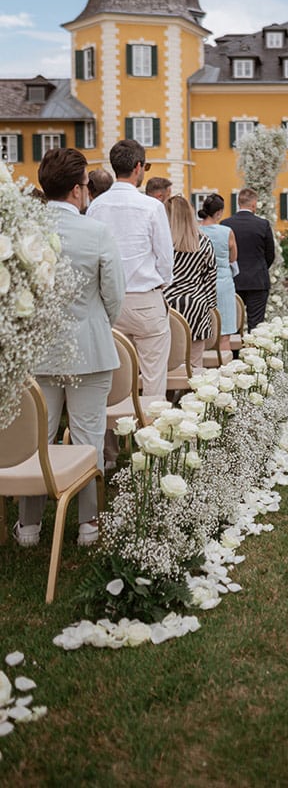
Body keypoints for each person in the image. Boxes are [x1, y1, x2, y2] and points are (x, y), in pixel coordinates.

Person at [14, 148, 125, 548]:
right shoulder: (95, 232)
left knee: (36, 438)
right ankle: (87, 526)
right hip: (90, 347)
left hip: (38, 351)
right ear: (79, 190)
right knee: (88, 436)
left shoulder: (24, 231)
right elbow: (115, 294)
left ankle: (28, 528)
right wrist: (96, 324)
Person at [87, 139, 173, 404]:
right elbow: (165, 258)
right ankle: (151, 436)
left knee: (112, 376)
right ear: (138, 167)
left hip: (107, 302)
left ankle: (112, 443)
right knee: (154, 376)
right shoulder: (152, 206)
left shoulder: (96, 207)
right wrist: (160, 286)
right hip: (145, 298)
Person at [164, 195, 218, 370]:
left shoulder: (162, 242)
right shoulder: (204, 242)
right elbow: (210, 278)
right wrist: (210, 307)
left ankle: (165, 396)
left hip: (166, 305)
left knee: (164, 363)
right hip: (196, 304)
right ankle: (195, 396)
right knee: (195, 365)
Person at [221, 187, 275, 330]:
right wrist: (260, 267)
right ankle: (254, 351)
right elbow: (270, 254)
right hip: (257, 280)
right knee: (256, 324)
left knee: (233, 322)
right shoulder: (263, 224)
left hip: (233, 280)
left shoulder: (226, 224)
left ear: (239, 203)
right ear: (253, 204)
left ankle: (235, 353)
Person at [199, 193, 237, 349]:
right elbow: (233, 257)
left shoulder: (197, 231)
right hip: (223, 283)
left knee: (201, 332)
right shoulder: (227, 231)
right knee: (224, 333)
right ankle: (226, 370)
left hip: (201, 283)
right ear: (219, 212)